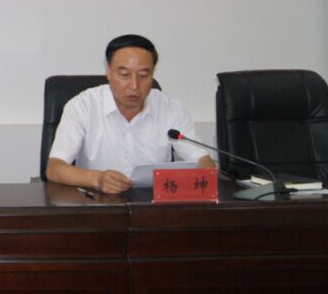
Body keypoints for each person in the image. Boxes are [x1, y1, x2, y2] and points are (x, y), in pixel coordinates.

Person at [46, 34, 214, 195]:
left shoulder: (171, 109)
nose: (134, 85)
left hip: (152, 204)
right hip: (96, 202)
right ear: (108, 71)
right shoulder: (82, 107)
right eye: (124, 75)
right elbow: (54, 168)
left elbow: (204, 163)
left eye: (143, 75)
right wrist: (97, 179)